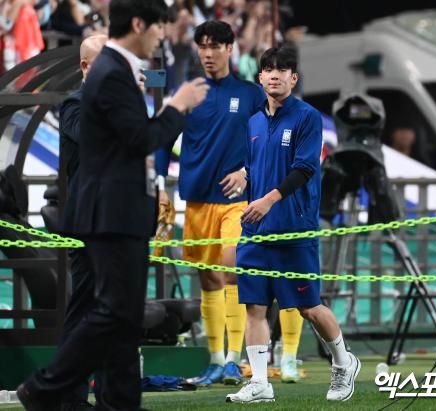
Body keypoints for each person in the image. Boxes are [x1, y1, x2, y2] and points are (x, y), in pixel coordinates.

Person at [16, 0, 209, 408]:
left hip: (121, 211)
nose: (162, 35)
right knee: (108, 311)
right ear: (138, 23)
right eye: (157, 25)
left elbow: (132, 146)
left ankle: (112, 400)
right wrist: (176, 107)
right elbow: (133, 140)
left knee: (119, 316)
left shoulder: (119, 79)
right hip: (104, 214)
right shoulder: (97, 85)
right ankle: (49, 387)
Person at [156, 20, 309, 387]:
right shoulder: (187, 92)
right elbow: (161, 139)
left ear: (229, 49)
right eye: (203, 46)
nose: (208, 53)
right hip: (197, 199)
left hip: (238, 202)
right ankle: (215, 359)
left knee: (231, 269)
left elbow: (273, 137)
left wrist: (247, 172)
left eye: (215, 46)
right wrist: (160, 185)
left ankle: (233, 358)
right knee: (208, 279)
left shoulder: (251, 94)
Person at [226, 47, 361, 404]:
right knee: (254, 307)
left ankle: (344, 361)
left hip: (294, 230)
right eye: (268, 69)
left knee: (309, 307)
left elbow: (304, 169)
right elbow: (255, 165)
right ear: (260, 77)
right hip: (255, 231)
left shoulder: (307, 118)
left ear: (294, 78)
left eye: (282, 69)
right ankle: (259, 382)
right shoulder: (253, 122)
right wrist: (243, 175)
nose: (275, 74)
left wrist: (269, 200)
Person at [57, 34, 107, 411]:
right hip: (89, 221)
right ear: (86, 67)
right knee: (85, 310)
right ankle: (68, 396)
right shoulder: (74, 103)